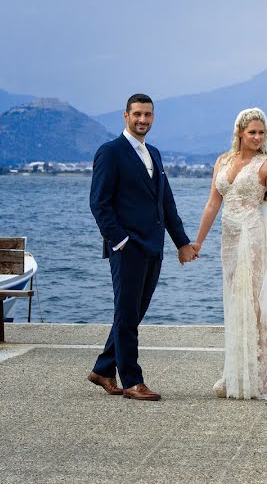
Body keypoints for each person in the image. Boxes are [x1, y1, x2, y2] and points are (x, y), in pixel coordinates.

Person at [194, 107, 267, 400]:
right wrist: (197, 243)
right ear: (240, 133)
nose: (258, 137)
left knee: (255, 305)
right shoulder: (222, 161)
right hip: (229, 238)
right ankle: (237, 372)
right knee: (235, 302)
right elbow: (212, 204)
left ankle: (263, 378)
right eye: (252, 133)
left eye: (261, 133)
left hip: (252, 235)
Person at [88, 93, 198, 401]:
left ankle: (103, 370)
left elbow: (166, 202)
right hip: (127, 248)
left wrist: (182, 242)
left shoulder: (155, 154)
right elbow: (99, 203)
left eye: (148, 115)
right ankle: (133, 380)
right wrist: (119, 241)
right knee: (126, 313)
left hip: (154, 246)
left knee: (133, 313)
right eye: (137, 114)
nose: (143, 120)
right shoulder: (110, 152)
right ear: (125, 116)